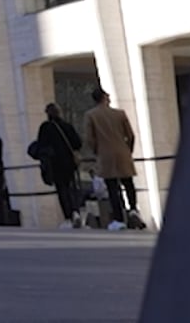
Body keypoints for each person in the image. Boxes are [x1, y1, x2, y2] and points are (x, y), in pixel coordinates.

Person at [85, 88, 141, 230]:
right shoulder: (120, 114)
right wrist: (128, 149)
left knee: (112, 188)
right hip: (122, 152)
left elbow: (90, 139)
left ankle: (118, 218)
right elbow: (131, 135)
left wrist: (96, 151)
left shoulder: (91, 115)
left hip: (105, 154)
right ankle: (133, 209)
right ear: (105, 97)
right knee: (128, 183)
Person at [32, 101, 85, 226]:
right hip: (69, 162)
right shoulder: (67, 126)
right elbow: (77, 143)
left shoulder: (45, 127)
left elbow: (41, 145)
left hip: (54, 163)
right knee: (71, 187)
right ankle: (76, 211)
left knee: (62, 189)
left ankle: (68, 216)